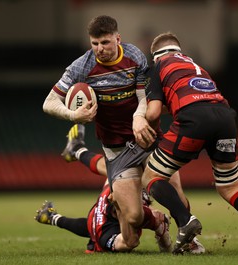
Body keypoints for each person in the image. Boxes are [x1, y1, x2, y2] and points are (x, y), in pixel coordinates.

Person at [136, 32, 238, 255]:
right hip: (225, 118)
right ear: (179, 51)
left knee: (151, 177)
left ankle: (185, 219)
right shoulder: (197, 67)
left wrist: (140, 120)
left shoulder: (158, 67)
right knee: (230, 187)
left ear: (156, 55)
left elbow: (154, 112)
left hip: (194, 119)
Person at [42, 15, 160, 251]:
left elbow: (143, 97)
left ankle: (188, 236)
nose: (99, 49)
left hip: (144, 136)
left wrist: (139, 118)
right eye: (94, 43)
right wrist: (74, 116)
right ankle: (78, 151)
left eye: (105, 42)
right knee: (134, 217)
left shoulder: (134, 56)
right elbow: (49, 102)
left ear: (118, 38)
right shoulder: (82, 66)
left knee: (170, 185)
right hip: (114, 145)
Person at [62, 123, 205, 253]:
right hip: (125, 141)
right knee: (135, 216)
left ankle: (77, 150)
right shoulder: (107, 222)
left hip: (147, 135)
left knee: (173, 190)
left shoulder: (104, 220)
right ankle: (77, 150)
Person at [34, 180, 172, 253]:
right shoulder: (106, 234)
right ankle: (52, 217)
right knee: (152, 221)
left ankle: (52, 217)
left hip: (97, 215)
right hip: (102, 229)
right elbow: (129, 243)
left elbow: (110, 170)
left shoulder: (114, 187)